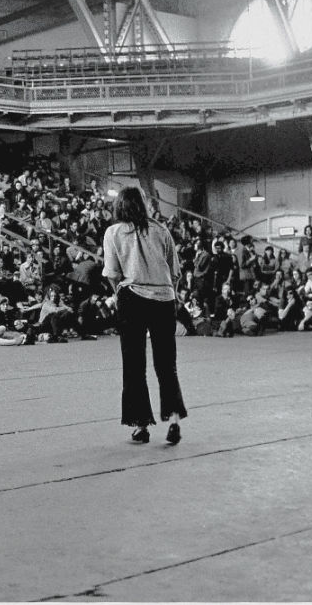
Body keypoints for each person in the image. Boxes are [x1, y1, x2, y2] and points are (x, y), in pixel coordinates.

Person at [102, 186, 187, 445]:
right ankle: (173, 420)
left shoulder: (113, 232)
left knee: (134, 365)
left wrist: (118, 293)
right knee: (166, 364)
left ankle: (141, 426)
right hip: (163, 298)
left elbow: (112, 272)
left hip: (133, 298)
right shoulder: (162, 231)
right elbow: (175, 272)